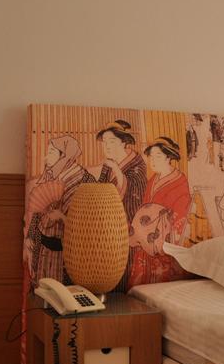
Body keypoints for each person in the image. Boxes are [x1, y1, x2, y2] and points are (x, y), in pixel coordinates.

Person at [24, 135, 94, 285]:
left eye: (51, 152)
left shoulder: (85, 180)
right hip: (43, 247)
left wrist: (62, 217)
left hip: (68, 252)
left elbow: (91, 223)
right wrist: (30, 236)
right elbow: (39, 207)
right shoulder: (51, 175)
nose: (45, 158)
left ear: (64, 155)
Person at [128, 137, 192, 286]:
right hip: (147, 236)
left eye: (157, 156)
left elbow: (180, 213)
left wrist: (166, 232)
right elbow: (144, 207)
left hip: (165, 236)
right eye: (151, 156)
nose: (152, 160)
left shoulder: (179, 180)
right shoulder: (153, 180)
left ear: (168, 157)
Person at [96, 120, 147, 222]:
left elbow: (135, 195)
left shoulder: (137, 164)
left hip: (128, 219)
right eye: (104, 142)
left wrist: (116, 169)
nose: (107, 146)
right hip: (108, 217)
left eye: (112, 141)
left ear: (123, 143)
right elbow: (100, 187)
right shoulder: (108, 164)